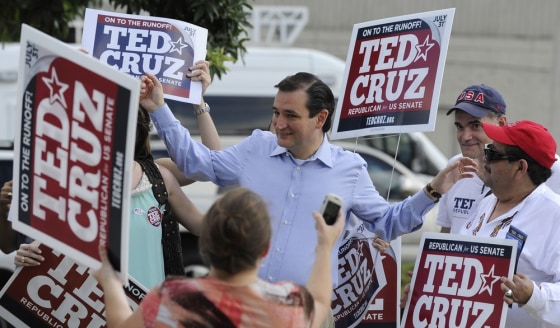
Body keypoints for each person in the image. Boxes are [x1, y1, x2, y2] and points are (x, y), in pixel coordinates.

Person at [140, 70, 477, 289]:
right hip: (245, 307)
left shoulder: (350, 168)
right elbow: (197, 163)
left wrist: (433, 190)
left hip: (306, 315)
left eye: (291, 116)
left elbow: (388, 223)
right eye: (276, 112)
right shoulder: (257, 147)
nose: (278, 123)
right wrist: (159, 108)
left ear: (321, 118)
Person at [12, 60, 221, 290]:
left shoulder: (157, 177)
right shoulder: (66, 181)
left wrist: (198, 101)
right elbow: (43, 247)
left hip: (147, 316)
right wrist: (27, 254)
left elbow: (211, 165)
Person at [94, 187, 344, 328]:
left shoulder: (171, 297)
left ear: (206, 243)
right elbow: (320, 302)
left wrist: (110, 281)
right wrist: (325, 244)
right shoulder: (289, 305)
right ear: (265, 249)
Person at [459, 120, 560, 327]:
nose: (485, 158)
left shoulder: (554, 214)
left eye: (494, 154)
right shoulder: (487, 201)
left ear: (520, 168)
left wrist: (533, 295)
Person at [437, 84, 560, 233]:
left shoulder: (550, 167)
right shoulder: (454, 167)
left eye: (475, 125)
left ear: (501, 123)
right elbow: (446, 235)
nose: (465, 136)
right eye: (459, 126)